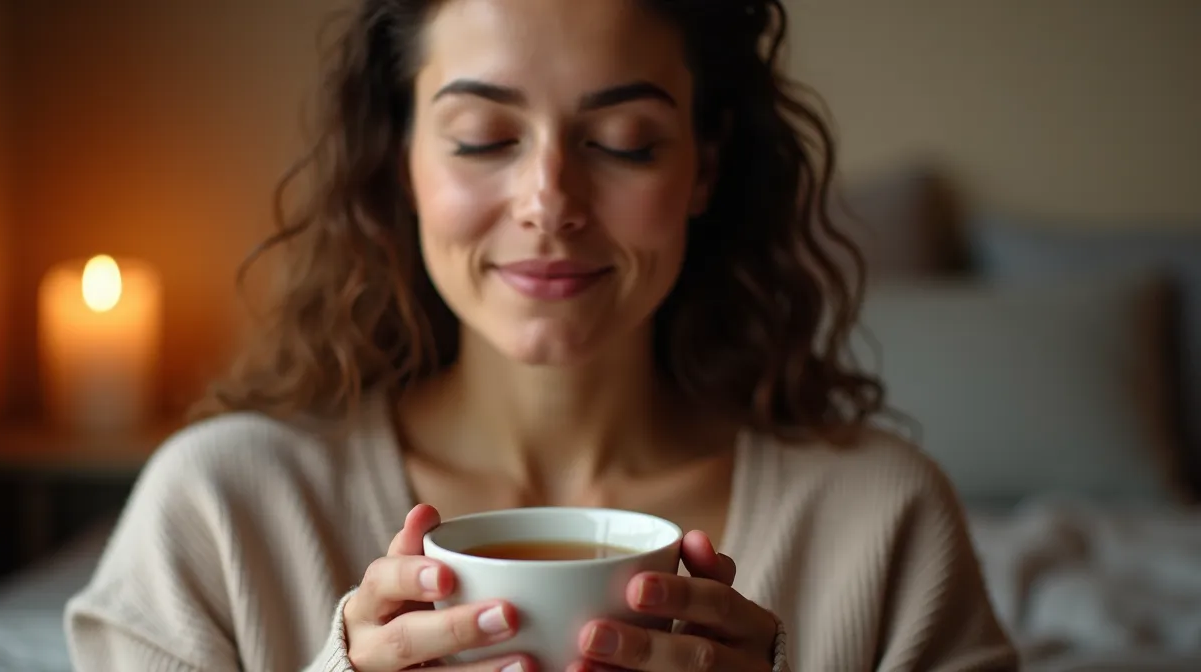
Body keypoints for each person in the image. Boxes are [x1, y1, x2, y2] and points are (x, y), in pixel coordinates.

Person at [65, 0, 1018, 670]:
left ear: (704, 166)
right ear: (402, 164)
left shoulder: (882, 524)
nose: (551, 203)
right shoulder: (222, 511)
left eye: (624, 142)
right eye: (483, 136)